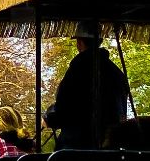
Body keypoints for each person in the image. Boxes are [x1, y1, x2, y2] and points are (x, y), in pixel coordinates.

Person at [46, 21, 131, 150]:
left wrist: (50, 118)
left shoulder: (77, 70)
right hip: (110, 147)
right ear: (100, 41)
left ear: (79, 42)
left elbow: (64, 110)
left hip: (78, 148)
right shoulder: (116, 73)